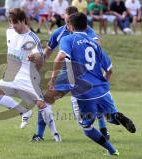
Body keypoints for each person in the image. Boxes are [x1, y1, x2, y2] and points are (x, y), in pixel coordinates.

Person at [48, 12, 136, 155]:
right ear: (86, 25)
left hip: (83, 92)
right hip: (102, 90)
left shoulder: (68, 39)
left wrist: (52, 79)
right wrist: (102, 84)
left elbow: (61, 56)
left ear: (70, 26)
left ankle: (113, 151)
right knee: (110, 116)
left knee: (86, 128)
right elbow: (110, 70)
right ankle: (117, 116)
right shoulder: (94, 42)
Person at [31, 6, 109, 142]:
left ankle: (103, 130)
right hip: (68, 73)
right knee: (46, 98)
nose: (68, 24)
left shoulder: (87, 31)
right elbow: (47, 53)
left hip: (86, 75)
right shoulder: (59, 33)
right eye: (66, 21)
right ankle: (39, 134)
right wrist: (36, 58)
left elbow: (97, 46)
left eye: (70, 22)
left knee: (95, 100)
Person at [0, 8, 54, 130]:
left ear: (23, 21)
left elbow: (40, 56)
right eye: (11, 22)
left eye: (15, 23)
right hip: (11, 74)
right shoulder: (9, 32)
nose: (13, 26)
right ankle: (24, 112)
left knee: (41, 104)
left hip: (27, 76)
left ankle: (55, 134)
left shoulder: (32, 38)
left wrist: (34, 58)